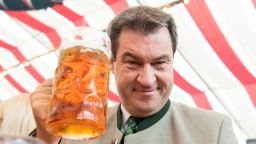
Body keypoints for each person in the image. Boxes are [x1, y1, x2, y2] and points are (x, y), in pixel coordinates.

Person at [29, 6, 238, 144]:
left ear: (172, 63)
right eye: (132, 62)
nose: (147, 79)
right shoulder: (73, 130)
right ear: (110, 64)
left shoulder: (214, 132)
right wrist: (45, 136)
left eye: (159, 63)